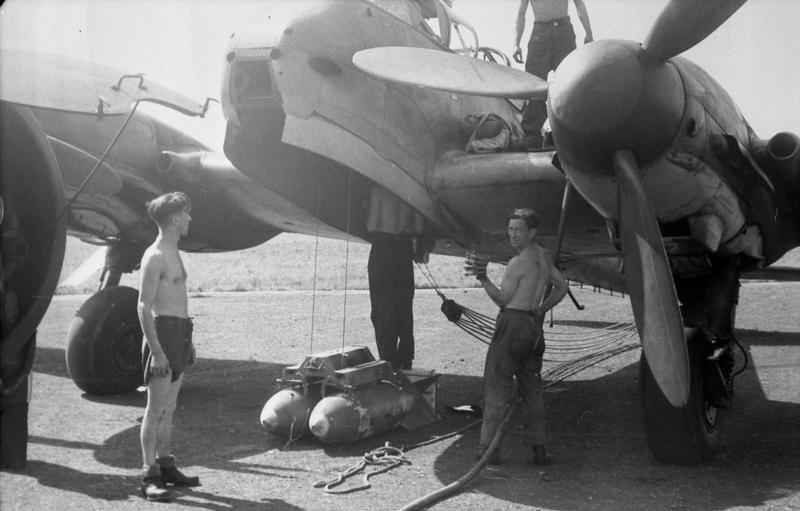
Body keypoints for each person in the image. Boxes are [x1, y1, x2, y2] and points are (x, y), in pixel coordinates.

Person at [466, 208, 568, 466]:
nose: (512, 235)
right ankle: (539, 451)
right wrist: (542, 309)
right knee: (533, 392)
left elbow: (502, 299)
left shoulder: (517, 263)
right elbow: (562, 286)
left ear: (531, 233)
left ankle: (487, 450)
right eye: (510, 229)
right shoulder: (543, 257)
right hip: (534, 329)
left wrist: (483, 278)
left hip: (511, 325)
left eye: (518, 230)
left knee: (496, 388)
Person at [137, 192, 200, 501]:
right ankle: (149, 475)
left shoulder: (174, 251)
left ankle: (165, 465)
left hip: (179, 334)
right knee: (155, 410)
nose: (189, 218)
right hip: (162, 335)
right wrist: (158, 351)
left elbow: (178, 301)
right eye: (186, 214)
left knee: (170, 408)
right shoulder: (156, 256)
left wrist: (187, 343)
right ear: (175, 219)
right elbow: (143, 307)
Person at [513, 0, 593, 148]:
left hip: (564, 32)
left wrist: (589, 33)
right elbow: (521, 13)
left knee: (570, 85)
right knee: (533, 85)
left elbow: (579, 4)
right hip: (540, 32)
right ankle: (532, 136)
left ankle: (573, 135)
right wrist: (516, 43)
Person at [366, 185, 429, 371]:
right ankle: (406, 358)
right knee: (404, 306)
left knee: (382, 307)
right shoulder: (409, 190)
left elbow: (371, 225)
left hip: (382, 248)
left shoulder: (378, 190)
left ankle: (388, 358)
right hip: (403, 249)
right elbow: (418, 226)